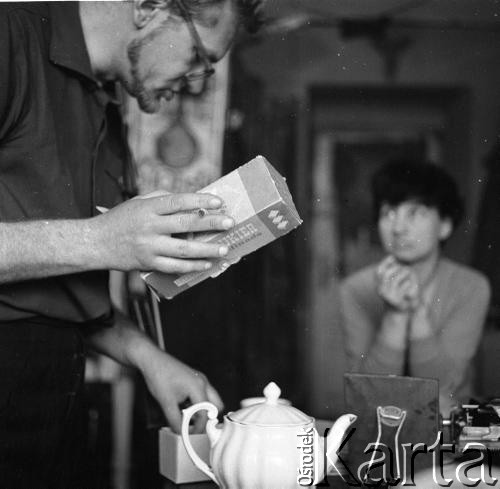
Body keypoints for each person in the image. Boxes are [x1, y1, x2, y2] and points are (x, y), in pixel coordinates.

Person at [0, 0, 261, 486]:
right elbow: (88, 247)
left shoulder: (106, 103)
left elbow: (55, 291)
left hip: (56, 402)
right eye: (200, 58)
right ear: (148, 6)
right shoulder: (10, 40)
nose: (198, 80)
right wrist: (102, 239)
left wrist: (146, 356)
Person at [340, 159, 490, 417]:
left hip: (449, 428)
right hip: (380, 429)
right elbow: (369, 394)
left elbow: (444, 389)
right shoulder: (355, 289)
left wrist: (416, 311)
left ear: (444, 224)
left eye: (416, 213)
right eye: (389, 213)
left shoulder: (471, 287)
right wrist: (396, 316)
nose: (398, 228)